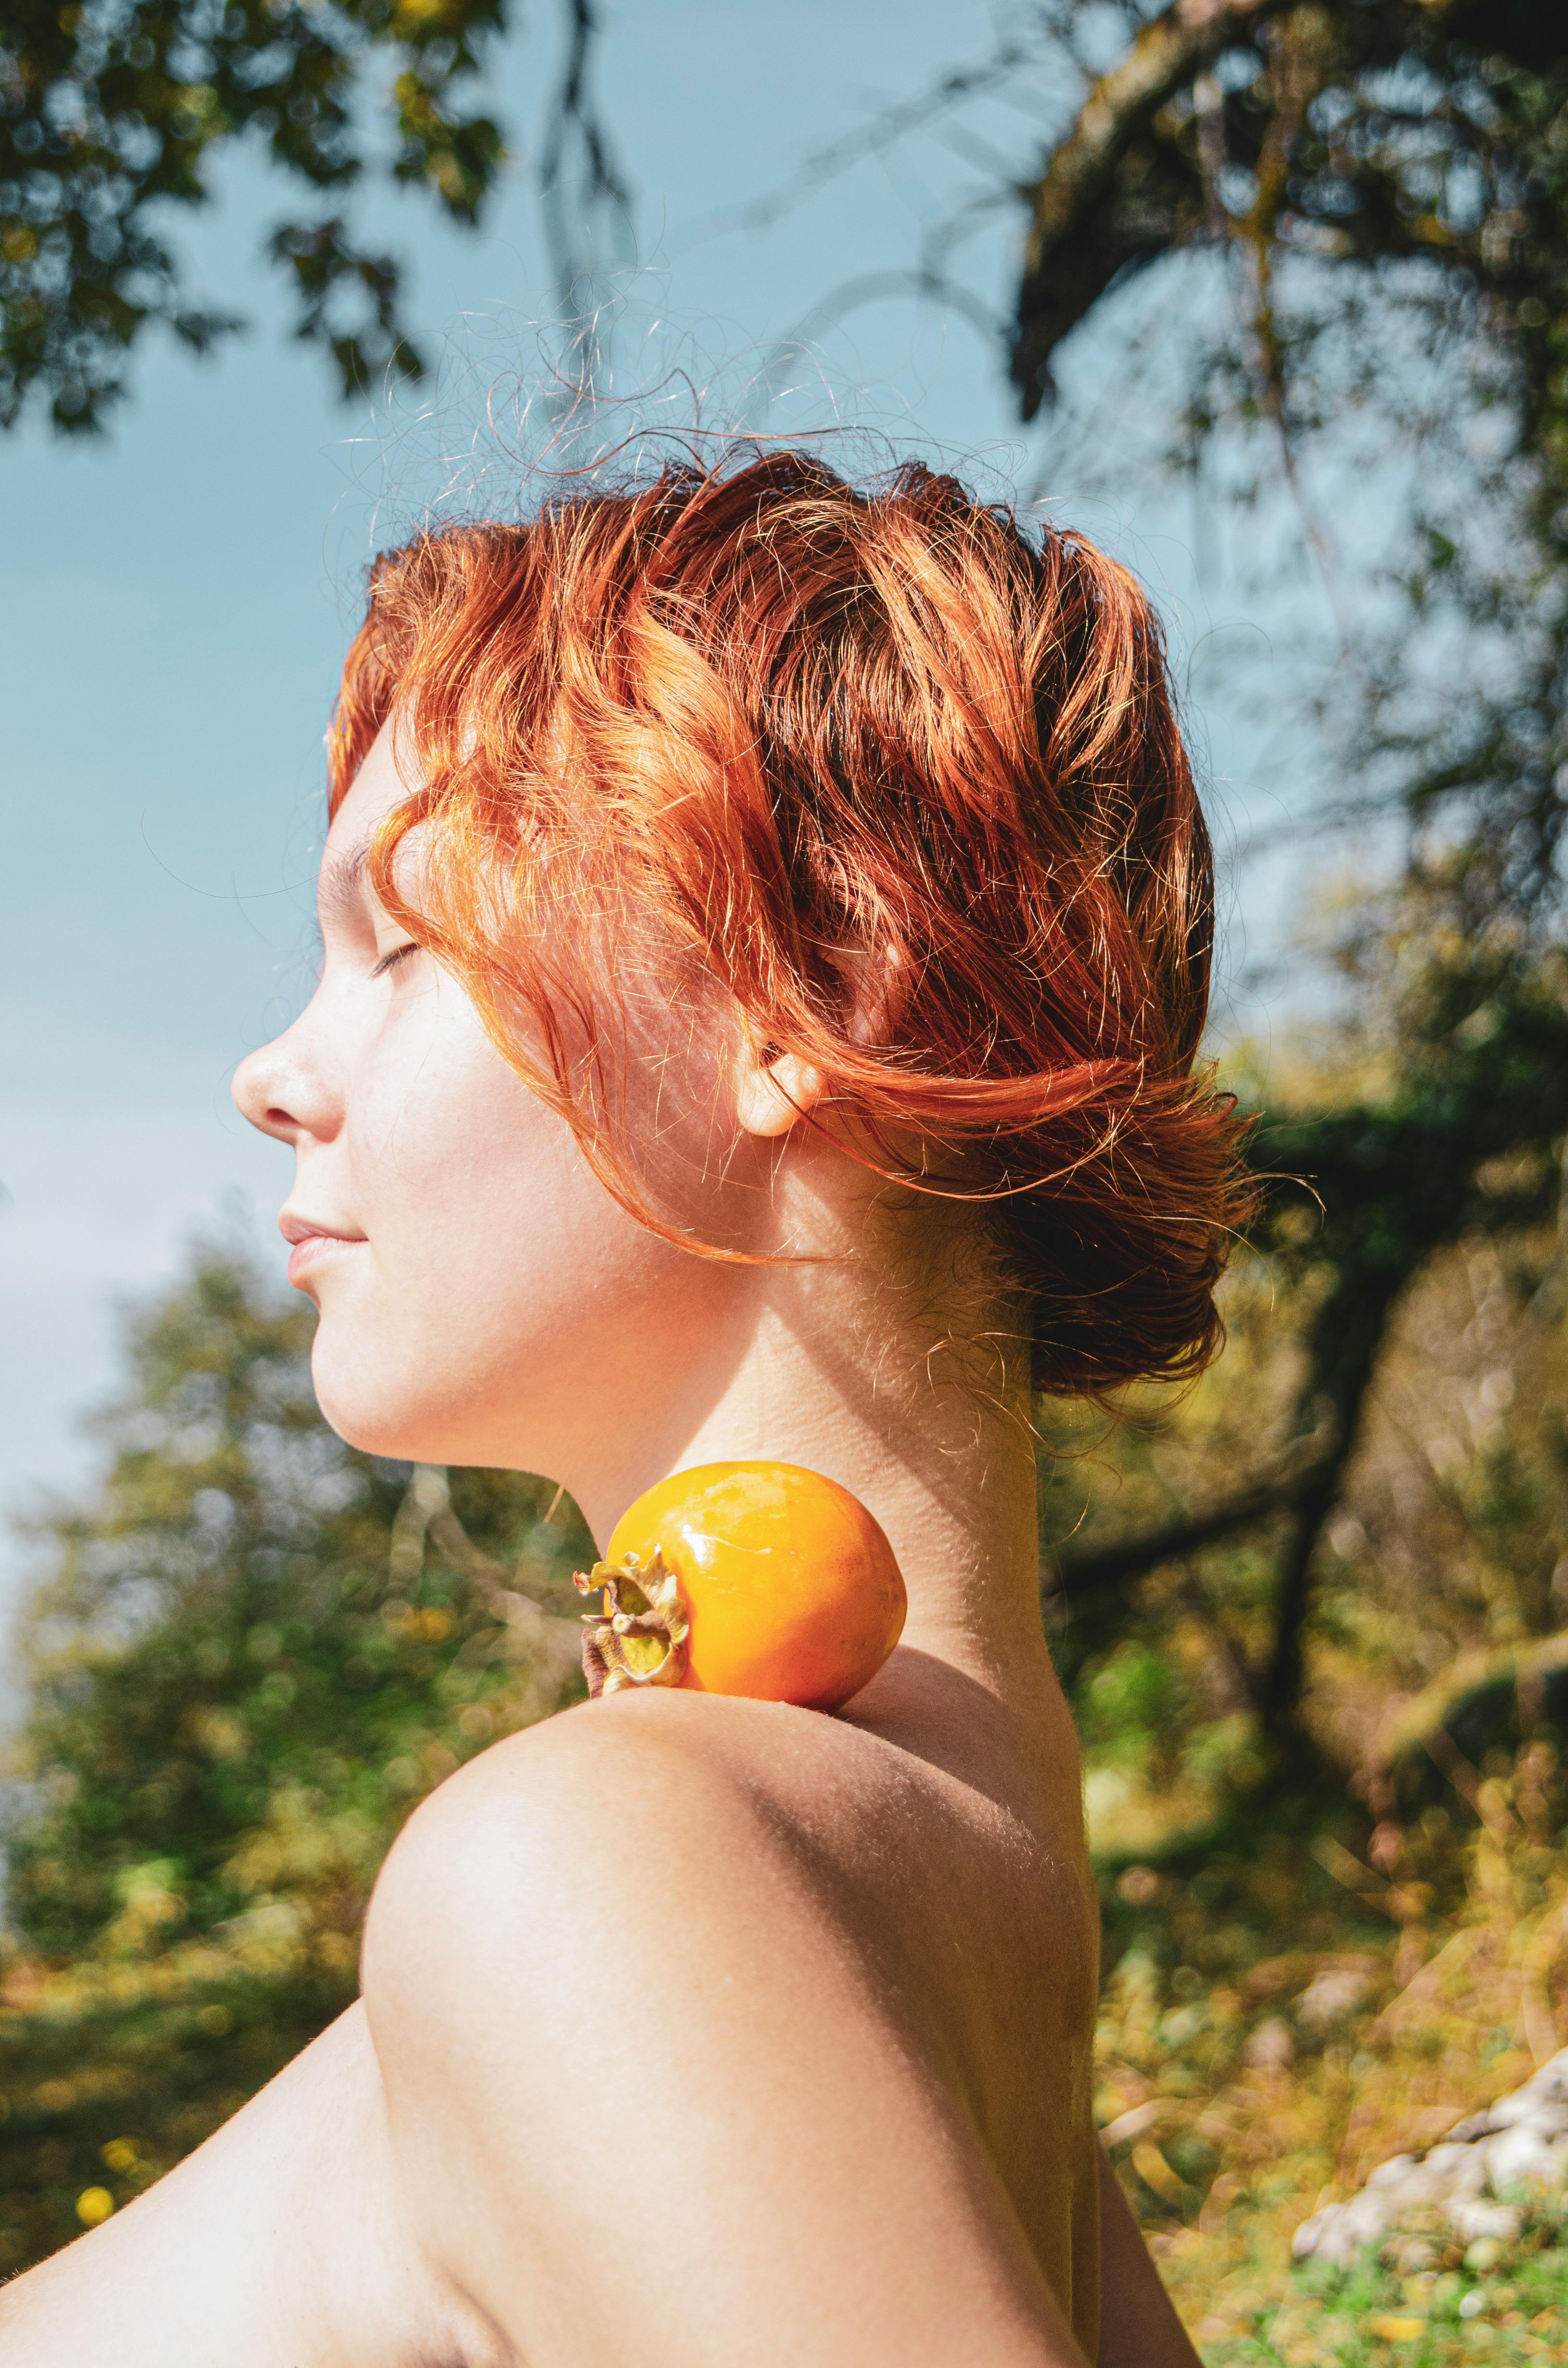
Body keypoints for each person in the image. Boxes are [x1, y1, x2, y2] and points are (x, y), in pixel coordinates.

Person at [1, 449, 1246, 2366]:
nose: (273, 1067)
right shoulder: (906, 1910)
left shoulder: (609, 1874)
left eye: (399, 939)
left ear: (809, 983)